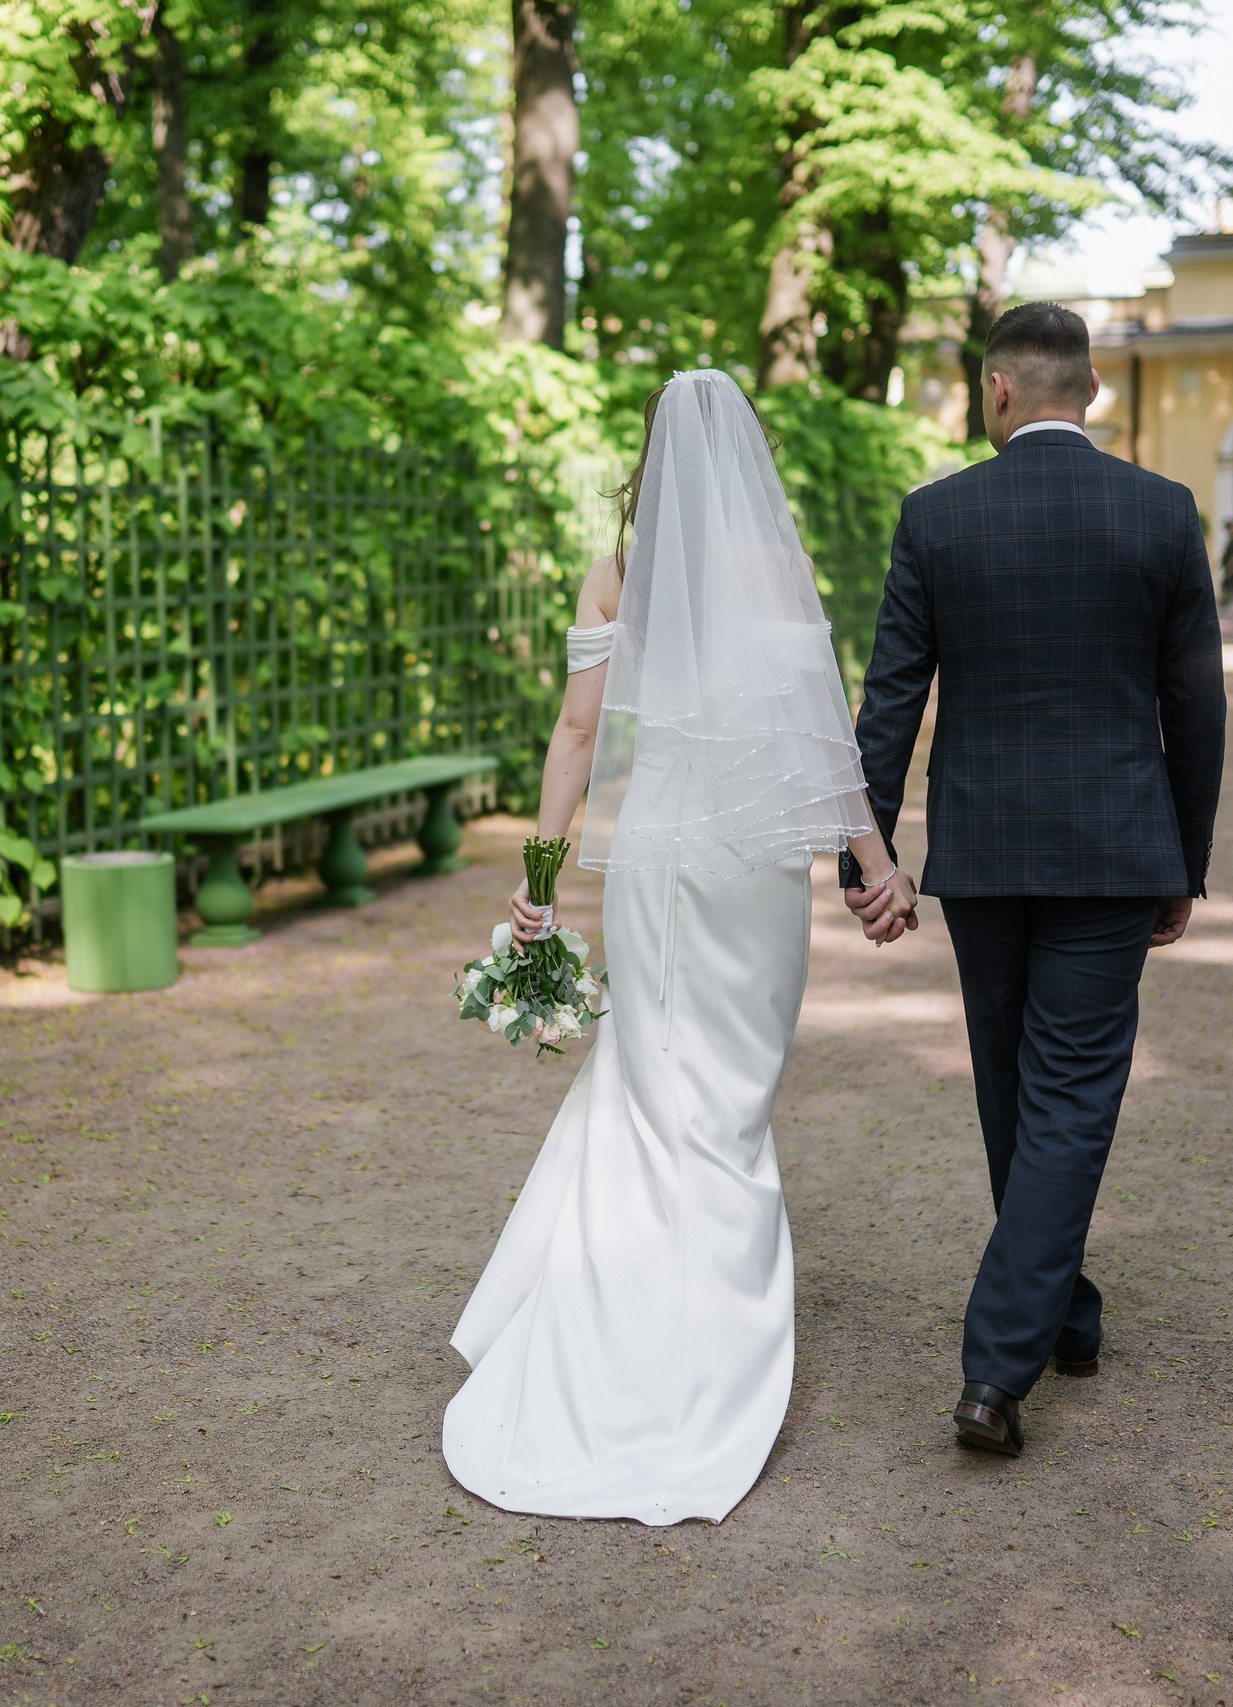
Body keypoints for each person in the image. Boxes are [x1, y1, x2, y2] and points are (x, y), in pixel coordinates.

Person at [442, 368, 916, 1526]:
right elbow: (823, 725)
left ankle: (627, 1313)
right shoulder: (772, 562)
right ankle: (705, 1333)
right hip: (759, 864)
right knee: (732, 1097)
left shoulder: (617, 570)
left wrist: (539, 880)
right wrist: (871, 859)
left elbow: (576, 732)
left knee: (653, 1084)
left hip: (659, 853)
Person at [843, 302, 1226, 1458]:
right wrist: (1183, 861)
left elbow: (889, 701)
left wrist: (866, 854)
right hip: (1114, 847)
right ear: (1090, 392)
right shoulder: (1160, 513)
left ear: (997, 391)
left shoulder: (936, 516)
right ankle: (1016, 1352)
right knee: (1059, 1098)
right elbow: (1195, 707)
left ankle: (1026, 1337)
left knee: (1016, 1087)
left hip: (985, 852)